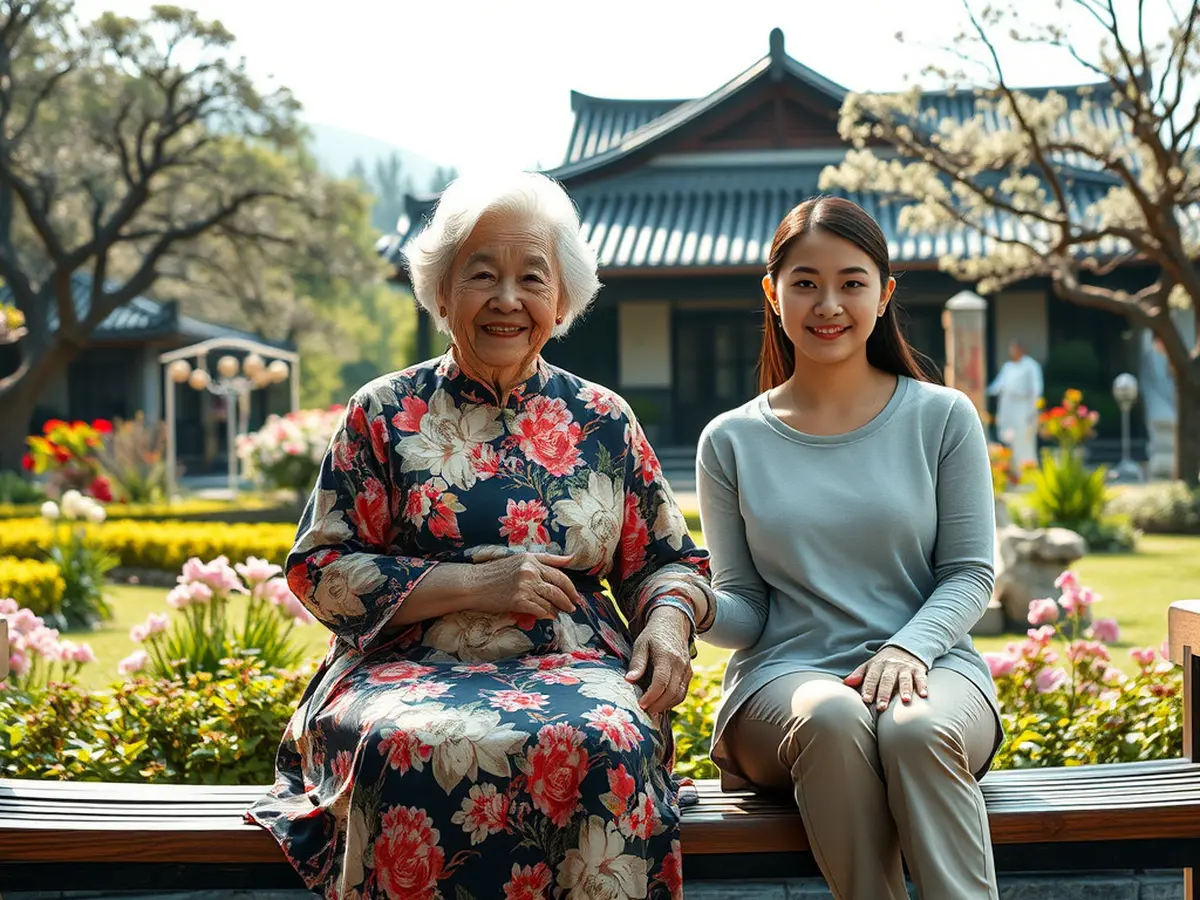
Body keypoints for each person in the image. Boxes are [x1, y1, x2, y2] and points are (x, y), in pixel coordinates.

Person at [249, 172, 713, 900]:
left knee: (606, 742)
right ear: (441, 293)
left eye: (532, 277)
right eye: (481, 275)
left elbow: (669, 561)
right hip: (403, 669)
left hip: (574, 664)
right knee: (405, 748)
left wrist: (667, 623)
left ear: (561, 302)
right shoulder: (383, 411)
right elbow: (320, 569)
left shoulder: (603, 419)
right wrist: (474, 583)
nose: (507, 299)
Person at [696, 196, 1002, 900]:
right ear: (772, 295)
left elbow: (969, 572)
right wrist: (688, 603)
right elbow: (744, 607)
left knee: (914, 729)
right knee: (832, 714)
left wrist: (906, 648)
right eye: (804, 282)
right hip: (785, 684)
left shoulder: (942, 416)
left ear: (884, 294)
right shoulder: (731, 440)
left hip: (931, 669)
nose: (827, 303)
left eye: (852, 282)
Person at [987, 340, 1043, 472]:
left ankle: (1027, 471)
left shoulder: (1031, 366)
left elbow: (1036, 388)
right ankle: (1014, 472)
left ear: (1022, 350)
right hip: (1008, 407)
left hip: (1024, 407)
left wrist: (1034, 408)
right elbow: (998, 385)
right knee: (1010, 439)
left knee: (1024, 439)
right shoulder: (1008, 367)